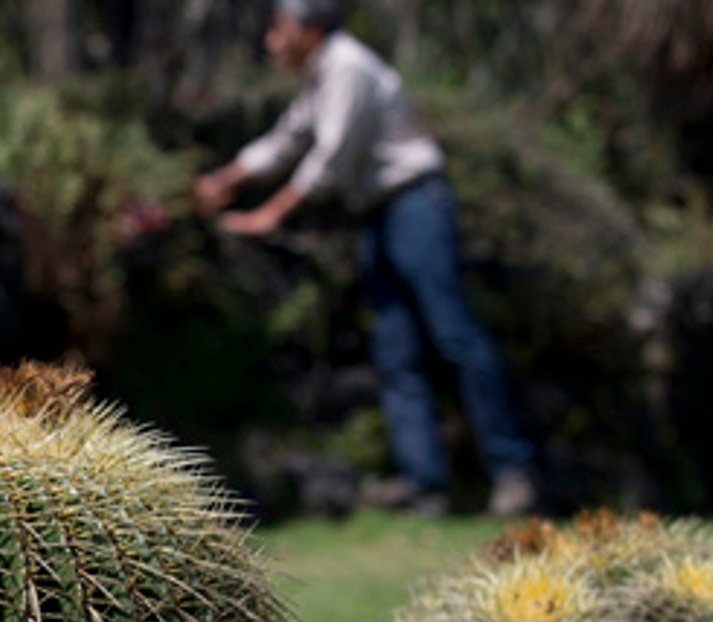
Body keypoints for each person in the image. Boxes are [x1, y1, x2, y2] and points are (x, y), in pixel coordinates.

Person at [195, 0, 538, 518]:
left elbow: (330, 158)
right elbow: (284, 141)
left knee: (454, 335)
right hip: (378, 215)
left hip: (417, 205)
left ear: (309, 30)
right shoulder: (317, 77)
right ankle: (424, 484)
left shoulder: (347, 66)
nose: (271, 42)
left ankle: (513, 473)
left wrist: (270, 214)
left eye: (278, 29)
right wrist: (223, 181)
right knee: (395, 350)